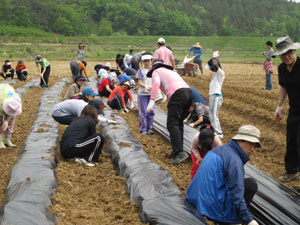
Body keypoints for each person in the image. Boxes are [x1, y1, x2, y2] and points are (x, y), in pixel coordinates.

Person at [186, 125, 261, 225]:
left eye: (254, 145)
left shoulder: (220, 150)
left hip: (194, 198)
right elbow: (236, 193)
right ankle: (233, 220)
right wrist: (249, 220)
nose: (252, 148)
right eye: (250, 143)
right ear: (239, 141)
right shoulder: (234, 160)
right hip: (211, 209)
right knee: (251, 184)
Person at [146, 60, 193, 165]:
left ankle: (180, 152)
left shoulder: (156, 71)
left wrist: (152, 100)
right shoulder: (170, 71)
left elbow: (157, 83)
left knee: (172, 124)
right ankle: (177, 150)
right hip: (188, 92)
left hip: (178, 94)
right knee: (178, 123)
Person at [273, 36, 300, 183]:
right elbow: (283, 86)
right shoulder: (282, 68)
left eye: (288, 53)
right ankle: (292, 172)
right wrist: (279, 105)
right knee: (291, 140)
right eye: (282, 54)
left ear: (294, 50)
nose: (286, 57)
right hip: (295, 109)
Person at [206, 57, 225, 139]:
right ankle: (217, 131)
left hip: (216, 95)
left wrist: (214, 61)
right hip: (213, 95)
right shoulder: (215, 75)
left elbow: (217, 67)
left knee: (213, 114)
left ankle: (218, 133)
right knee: (213, 114)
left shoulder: (220, 73)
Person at [137, 53, 154, 135]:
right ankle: (143, 128)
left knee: (151, 111)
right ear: (142, 62)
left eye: (148, 61)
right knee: (143, 112)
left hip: (151, 94)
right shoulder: (141, 71)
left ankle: (149, 128)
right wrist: (145, 86)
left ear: (151, 61)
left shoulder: (154, 70)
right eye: (145, 61)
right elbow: (139, 81)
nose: (146, 63)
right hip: (143, 94)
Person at [0, 84, 22, 148]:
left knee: (11, 122)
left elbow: (12, 113)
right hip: (1, 99)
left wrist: (7, 120)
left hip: (7, 92)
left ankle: (7, 139)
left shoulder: (17, 102)